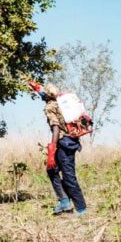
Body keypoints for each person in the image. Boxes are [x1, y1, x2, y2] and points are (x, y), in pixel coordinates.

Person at [41, 84, 87, 216]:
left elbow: (55, 128)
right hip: (72, 141)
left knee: (68, 176)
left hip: (63, 143)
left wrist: (52, 150)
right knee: (51, 170)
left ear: (47, 96)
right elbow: (41, 91)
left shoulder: (50, 107)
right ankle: (64, 201)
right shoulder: (61, 103)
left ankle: (81, 208)